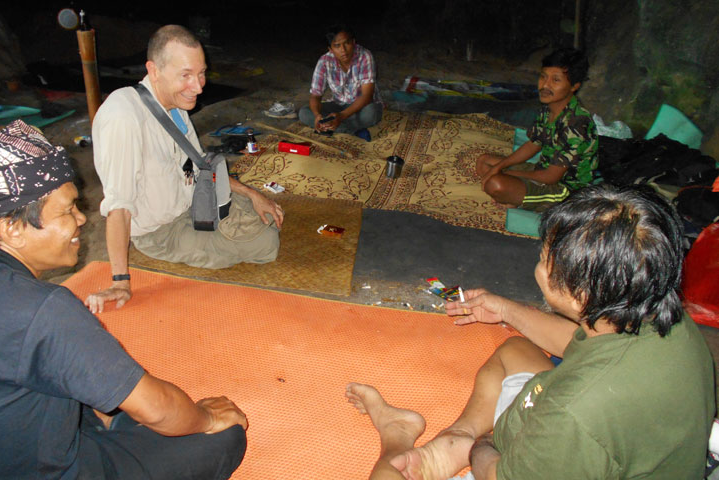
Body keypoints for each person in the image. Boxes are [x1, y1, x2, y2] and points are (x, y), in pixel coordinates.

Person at [346, 184, 714, 479]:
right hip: (605, 436)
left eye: (544, 257)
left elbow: (502, 472)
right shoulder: (658, 316)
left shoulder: (573, 414)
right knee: (514, 351)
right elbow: (577, 345)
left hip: (523, 458)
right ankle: (454, 439)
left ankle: (398, 435)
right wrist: (504, 308)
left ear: (578, 294)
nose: (538, 263)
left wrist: (482, 447)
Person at [0, 120, 247, 479]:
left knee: (81, 391)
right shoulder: (42, 309)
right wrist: (208, 417)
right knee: (222, 436)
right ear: (11, 227)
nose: (81, 219)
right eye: (67, 210)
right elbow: (155, 409)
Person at [89, 25, 284, 313]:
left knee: (260, 213)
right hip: (161, 231)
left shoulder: (176, 104)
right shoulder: (124, 119)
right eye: (186, 75)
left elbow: (200, 161)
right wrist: (120, 281)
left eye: (201, 72)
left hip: (192, 201)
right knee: (267, 244)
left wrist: (252, 193)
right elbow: (119, 207)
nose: (199, 86)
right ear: (154, 70)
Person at [476, 48, 598, 211]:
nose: (545, 85)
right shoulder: (549, 108)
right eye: (543, 77)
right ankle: (521, 197)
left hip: (565, 191)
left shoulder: (577, 123)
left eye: (555, 80)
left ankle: (527, 201)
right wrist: (500, 166)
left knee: (496, 184)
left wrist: (504, 173)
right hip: (542, 170)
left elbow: (550, 177)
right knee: (484, 161)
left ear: (574, 86)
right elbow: (534, 143)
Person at [298, 24, 383, 141]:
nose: (343, 50)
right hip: (338, 105)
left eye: (346, 43)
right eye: (337, 46)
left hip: (361, 106)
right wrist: (317, 115)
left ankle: (332, 127)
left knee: (371, 113)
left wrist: (342, 116)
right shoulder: (324, 61)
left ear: (353, 42)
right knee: (304, 112)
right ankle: (353, 130)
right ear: (331, 49)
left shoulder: (365, 56)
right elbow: (315, 95)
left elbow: (367, 96)